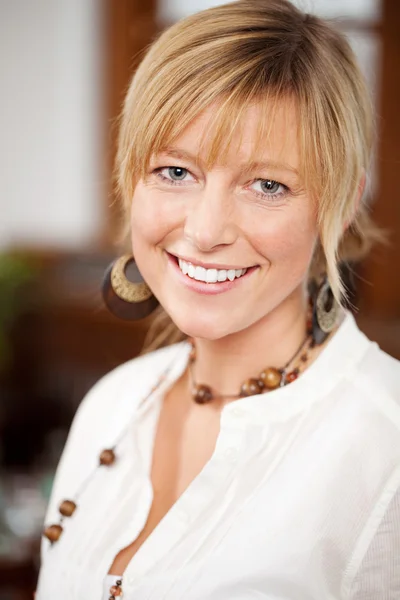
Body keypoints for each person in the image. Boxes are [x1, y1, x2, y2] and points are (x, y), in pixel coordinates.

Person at [36, 1, 400, 598]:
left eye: (267, 185)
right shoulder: (113, 403)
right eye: (176, 172)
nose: (206, 232)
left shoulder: (385, 444)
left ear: (340, 206)